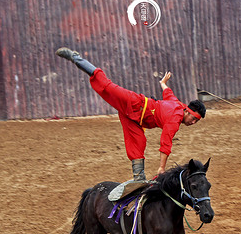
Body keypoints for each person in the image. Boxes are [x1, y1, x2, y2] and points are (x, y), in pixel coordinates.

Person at [56, 47, 206, 181]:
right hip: (135, 103)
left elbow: (167, 92)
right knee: (107, 86)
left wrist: (163, 83)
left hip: (136, 120)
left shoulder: (177, 103)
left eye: (196, 121)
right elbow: (166, 143)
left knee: (138, 142)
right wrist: (161, 168)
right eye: (193, 118)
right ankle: (76, 58)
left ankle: (138, 177)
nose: (192, 123)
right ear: (187, 111)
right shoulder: (175, 118)